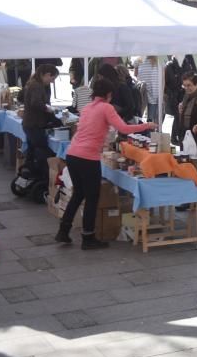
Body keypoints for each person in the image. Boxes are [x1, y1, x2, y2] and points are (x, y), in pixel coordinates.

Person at [56, 78, 155, 249]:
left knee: (78, 194)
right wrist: (147, 125)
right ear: (109, 94)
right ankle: (88, 237)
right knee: (92, 197)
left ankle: (63, 231)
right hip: (88, 157)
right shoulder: (106, 108)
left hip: (73, 154)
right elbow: (123, 128)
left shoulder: (87, 107)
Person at [21, 63, 60, 180]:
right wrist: (48, 108)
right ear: (47, 75)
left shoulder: (34, 84)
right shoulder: (37, 86)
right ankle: (41, 175)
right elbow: (36, 103)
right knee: (41, 149)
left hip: (30, 123)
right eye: (52, 79)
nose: (52, 82)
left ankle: (29, 172)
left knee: (32, 150)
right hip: (34, 124)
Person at [174, 71, 197, 154]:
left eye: (189, 85)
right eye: (184, 85)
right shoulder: (186, 96)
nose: (186, 88)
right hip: (186, 137)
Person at [135, 56, 161, 120]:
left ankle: (150, 129)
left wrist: (161, 93)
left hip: (154, 92)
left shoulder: (158, 60)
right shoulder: (137, 60)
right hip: (142, 91)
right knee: (139, 115)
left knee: (151, 118)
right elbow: (136, 74)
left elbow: (163, 78)